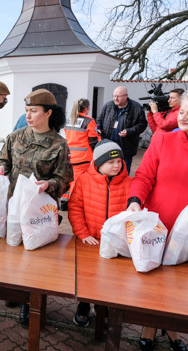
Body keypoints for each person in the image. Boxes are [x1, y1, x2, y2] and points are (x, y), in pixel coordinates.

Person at [127, 91, 188, 351]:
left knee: (179, 285)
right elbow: (144, 176)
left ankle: (169, 329)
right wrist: (135, 199)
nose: (183, 117)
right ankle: (157, 330)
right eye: (182, 112)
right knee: (154, 281)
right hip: (159, 225)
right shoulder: (163, 140)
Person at [0, 88, 73, 322]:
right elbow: (3, 160)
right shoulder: (16, 136)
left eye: (34, 111)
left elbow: (64, 181)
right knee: (14, 251)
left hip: (40, 212)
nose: (28, 115)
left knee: (35, 258)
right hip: (14, 207)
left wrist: (48, 185)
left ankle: (31, 302)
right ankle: (16, 291)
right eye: (26, 110)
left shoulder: (59, 145)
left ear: (48, 113)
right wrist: (0, 169)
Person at [68, 139, 131, 327]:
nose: (116, 165)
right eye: (110, 162)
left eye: (119, 161)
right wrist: (82, 233)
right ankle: (84, 305)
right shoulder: (84, 180)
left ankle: (103, 307)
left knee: (111, 279)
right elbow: (75, 207)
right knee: (88, 277)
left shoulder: (129, 183)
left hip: (116, 244)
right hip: (91, 241)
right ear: (98, 163)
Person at [96, 86, 147, 173]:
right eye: (114, 95)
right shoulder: (108, 106)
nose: (115, 98)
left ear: (126, 96)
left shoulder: (136, 108)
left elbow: (142, 124)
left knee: (124, 171)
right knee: (108, 169)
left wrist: (129, 131)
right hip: (108, 144)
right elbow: (99, 120)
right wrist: (98, 127)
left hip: (126, 145)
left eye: (118, 96)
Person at [61, 98, 101, 208]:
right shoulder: (89, 121)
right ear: (86, 109)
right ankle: (73, 203)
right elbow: (93, 141)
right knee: (78, 182)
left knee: (69, 180)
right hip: (82, 158)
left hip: (69, 157)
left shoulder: (69, 120)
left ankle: (64, 201)